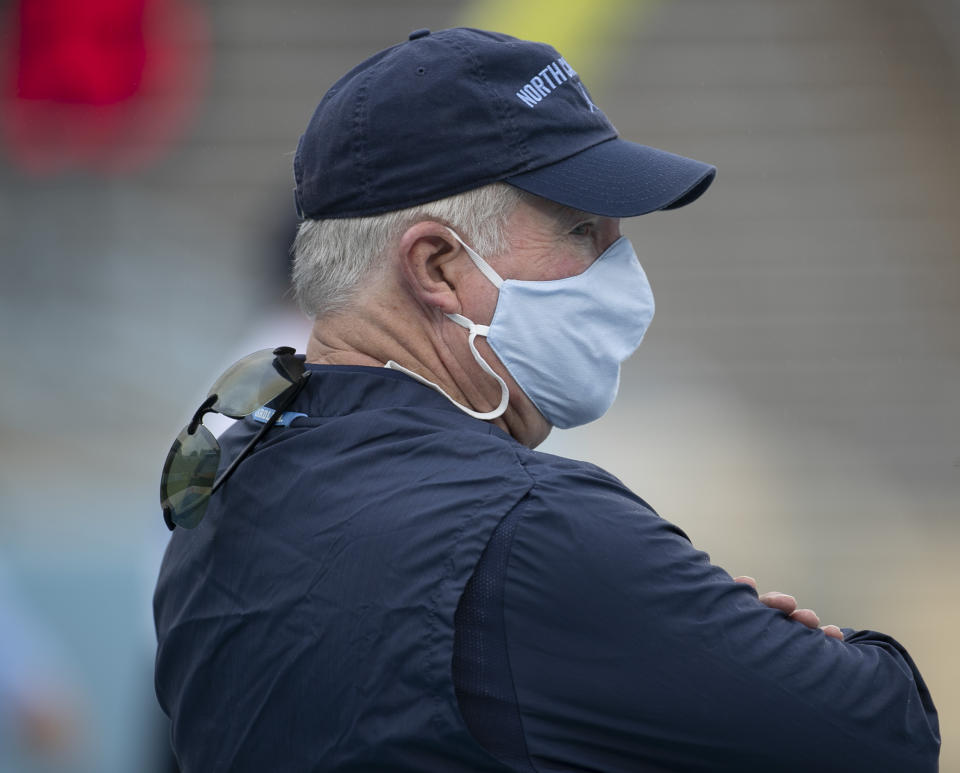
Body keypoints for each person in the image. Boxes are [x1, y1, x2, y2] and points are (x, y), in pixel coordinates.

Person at [153, 28, 940, 772]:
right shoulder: (531, 531)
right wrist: (739, 640)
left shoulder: (223, 484)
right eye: (579, 230)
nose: (621, 271)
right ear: (435, 265)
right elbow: (882, 730)